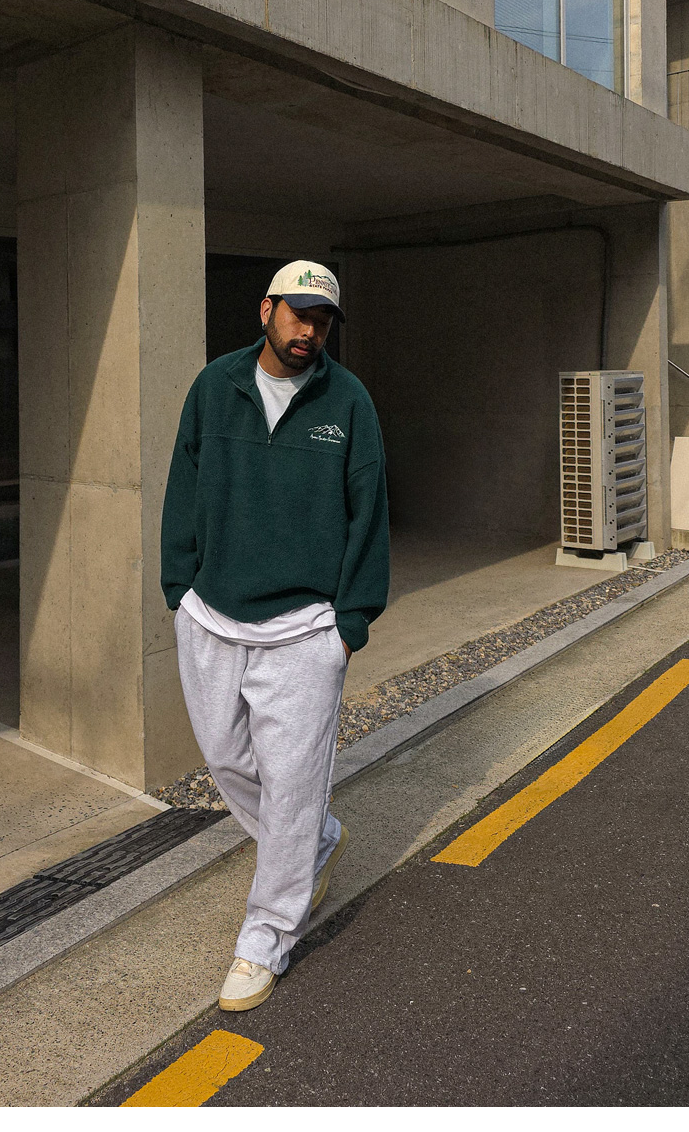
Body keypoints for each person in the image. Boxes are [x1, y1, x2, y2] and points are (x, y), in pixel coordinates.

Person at [160, 259, 389, 1011]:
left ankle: (266, 937)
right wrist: (179, 589)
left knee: (291, 787)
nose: (309, 330)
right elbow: (182, 489)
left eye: (322, 320)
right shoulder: (213, 387)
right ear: (266, 310)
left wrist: (349, 622)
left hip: (305, 628)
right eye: (298, 313)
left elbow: (369, 511)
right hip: (211, 615)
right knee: (228, 759)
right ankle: (314, 840)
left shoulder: (347, 401)